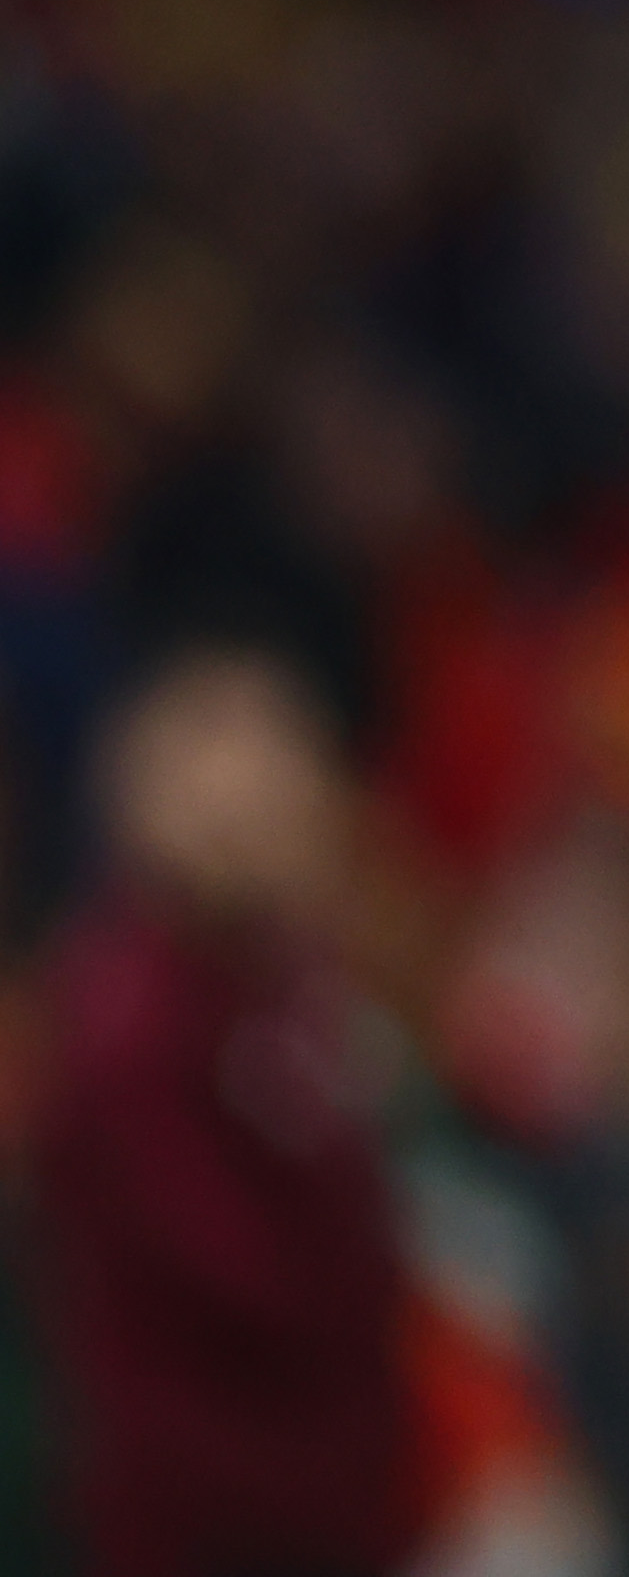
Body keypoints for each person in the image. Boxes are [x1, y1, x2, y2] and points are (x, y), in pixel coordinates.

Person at [33, 642, 426, 1577]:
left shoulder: (287, 988)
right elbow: (244, 1274)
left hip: (328, 1489)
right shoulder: (128, 1015)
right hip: (208, 1507)